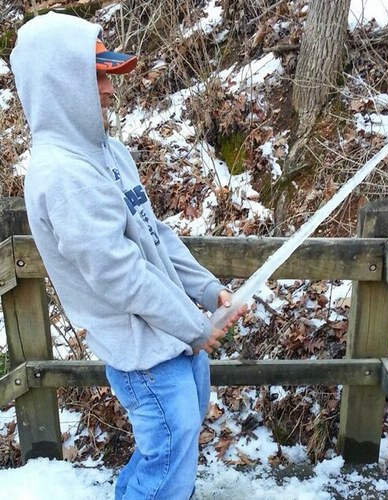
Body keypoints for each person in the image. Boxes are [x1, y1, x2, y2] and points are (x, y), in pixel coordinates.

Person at [10, 12, 245, 500]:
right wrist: (196, 324)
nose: (109, 88)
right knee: (169, 454)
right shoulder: (62, 176)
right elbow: (120, 275)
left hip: (171, 333)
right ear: (59, 82)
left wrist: (205, 289)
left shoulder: (109, 153)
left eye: (108, 75)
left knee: (177, 444)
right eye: (95, 75)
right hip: (141, 351)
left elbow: (153, 234)